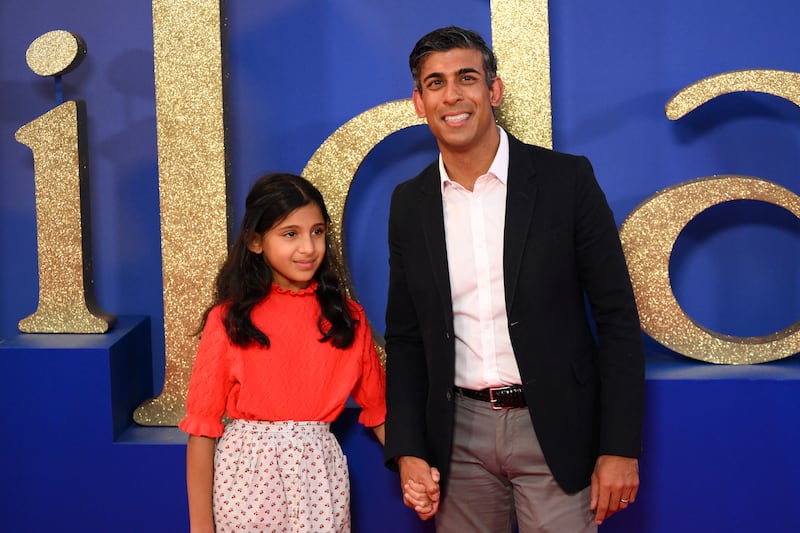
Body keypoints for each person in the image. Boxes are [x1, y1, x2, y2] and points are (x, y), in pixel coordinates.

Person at [383, 26, 645, 532]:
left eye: (467, 78)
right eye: (435, 83)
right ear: (418, 102)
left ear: (493, 90)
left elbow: (616, 318)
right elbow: (406, 336)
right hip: (456, 437)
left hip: (555, 427)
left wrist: (618, 447)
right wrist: (409, 449)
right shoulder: (409, 203)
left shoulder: (566, 181)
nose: (452, 95)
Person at [179, 173, 386, 533]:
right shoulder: (228, 319)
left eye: (317, 231)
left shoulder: (348, 318)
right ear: (256, 241)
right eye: (290, 234)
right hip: (245, 478)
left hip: (318, 478)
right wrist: (200, 527)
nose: (308, 247)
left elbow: (380, 410)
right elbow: (202, 430)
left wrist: (415, 469)